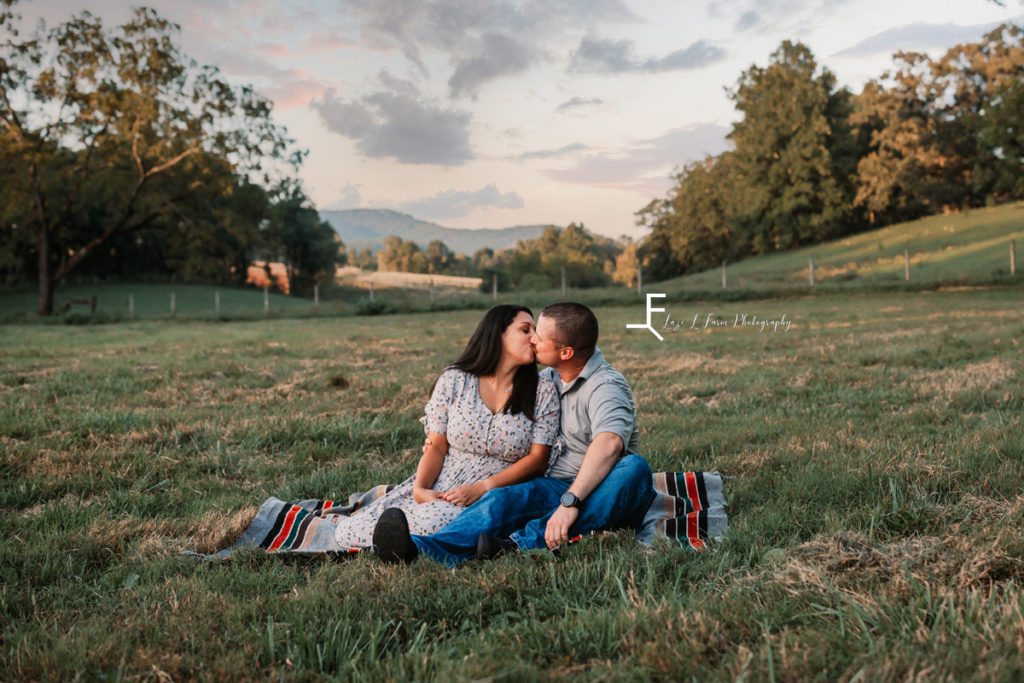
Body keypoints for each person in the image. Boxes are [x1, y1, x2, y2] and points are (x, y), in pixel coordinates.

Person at [373, 301, 654, 565]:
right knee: (500, 499)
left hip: (602, 487)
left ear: (566, 352)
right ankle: (420, 550)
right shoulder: (547, 380)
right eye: (530, 332)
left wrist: (570, 502)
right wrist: (438, 440)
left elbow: (610, 444)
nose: (532, 340)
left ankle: (519, 544)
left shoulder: (605, 386)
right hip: (553, 484)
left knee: (635, 468)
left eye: (540, 337)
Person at [332, 304, 560, 549]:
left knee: (436, 521)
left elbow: (538, 460)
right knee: (349, 530)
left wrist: (482, 488)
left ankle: (411, 544)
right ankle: (399, 536)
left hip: (499, 491)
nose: (535, 338)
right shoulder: (455, 379)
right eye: (525, 330)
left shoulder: (542, 391)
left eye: (535, 330)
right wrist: (421, 489)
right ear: (498, 335)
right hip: (447, 480)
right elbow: (437, 447)